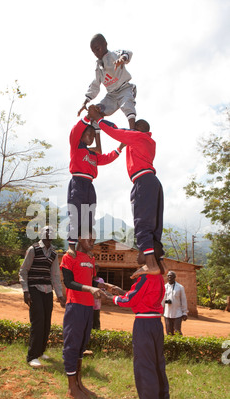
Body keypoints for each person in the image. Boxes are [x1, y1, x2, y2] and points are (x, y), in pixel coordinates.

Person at [88, 105, 165, 279]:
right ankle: (160, 262)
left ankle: (151, 265)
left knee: (142, 224)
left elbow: (115, 131)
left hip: (143, 182)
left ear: (137, 130)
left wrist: (98, 119)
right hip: (153, 182)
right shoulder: (148, 141)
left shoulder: (137, 137)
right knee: (154, 227)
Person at [104, 242, 170, 399]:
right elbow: (141, 299)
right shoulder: (157, 277)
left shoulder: (144, 277)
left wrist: (111, 297)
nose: (137, 255)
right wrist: (120, 292)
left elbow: (130, 302)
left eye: (141, 252)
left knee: (145, 369)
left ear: (150, 255)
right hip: (155, 324)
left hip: (143, 325)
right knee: (157, 367)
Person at [67, 114, 124, 256]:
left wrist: (119, 148)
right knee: (76, 214)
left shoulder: (93, 154)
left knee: (89, 216)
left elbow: (106, 158)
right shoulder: (76, 146)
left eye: (94, 136)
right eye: (89, 134)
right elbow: (75, 130)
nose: (91, 138)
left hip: (90, 185)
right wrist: (88, 117)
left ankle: (85, 248)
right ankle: (71, 246)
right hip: (78, 182)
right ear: (81, 135)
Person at [60, 230, 106, 399]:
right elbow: (69, 282)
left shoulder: (90, 259)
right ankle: (71, 388)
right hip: (75, 305)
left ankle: (79, 383)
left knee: (81, 345)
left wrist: (104, 285)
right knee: (72, 345)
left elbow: (91, 282)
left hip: (89, 307)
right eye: (89, 237)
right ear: (79, 238)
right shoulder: (69, 257)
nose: (92, 240)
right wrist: (90, 289)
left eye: (94, 238)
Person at [19, 226, 65, 368]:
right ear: (41, 234)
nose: (48, 234)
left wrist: (60, 295)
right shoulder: (33, 250)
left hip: (47, 291)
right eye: (46, 231)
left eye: (51, 232)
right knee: (38, 321)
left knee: (46, 322)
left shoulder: (53, 254)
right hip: (34, 289)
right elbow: (23, 271)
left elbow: (55, 276)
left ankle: (41, 351)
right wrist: (25, 291)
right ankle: (32, 356)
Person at [78, 33, 136, 130]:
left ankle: (133, 131)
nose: (96, 53)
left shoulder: (114, 54)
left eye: (97, 49)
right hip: (111, 96)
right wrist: (85, 102)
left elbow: (128, 53)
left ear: (105, 44)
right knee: (95, 112)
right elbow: (95, 85)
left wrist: (122, 59)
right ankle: (98, 143)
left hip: (125, 89)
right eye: (94, 52)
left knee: (127, 104)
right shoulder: (98, 67)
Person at [163, 271, 188, 335]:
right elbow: (162, 300)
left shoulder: (180, 287)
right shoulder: (165, 287)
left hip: (177, 313)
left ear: (174, 277)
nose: (169, 277)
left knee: (177, 331)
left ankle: (179, 344)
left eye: (171, 276)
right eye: (168, 276)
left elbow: (183, 300)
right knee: (169, 332)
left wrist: (185, 313)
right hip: (167, 314)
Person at [92, 264, 105, 329]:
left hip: (96, 304)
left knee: (96, 319)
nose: (94, 271)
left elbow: (103, 291)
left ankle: (96, 333)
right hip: (87, 303)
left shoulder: (100, 280)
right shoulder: (87, 279)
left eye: (96, 269)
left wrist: (99, 295)